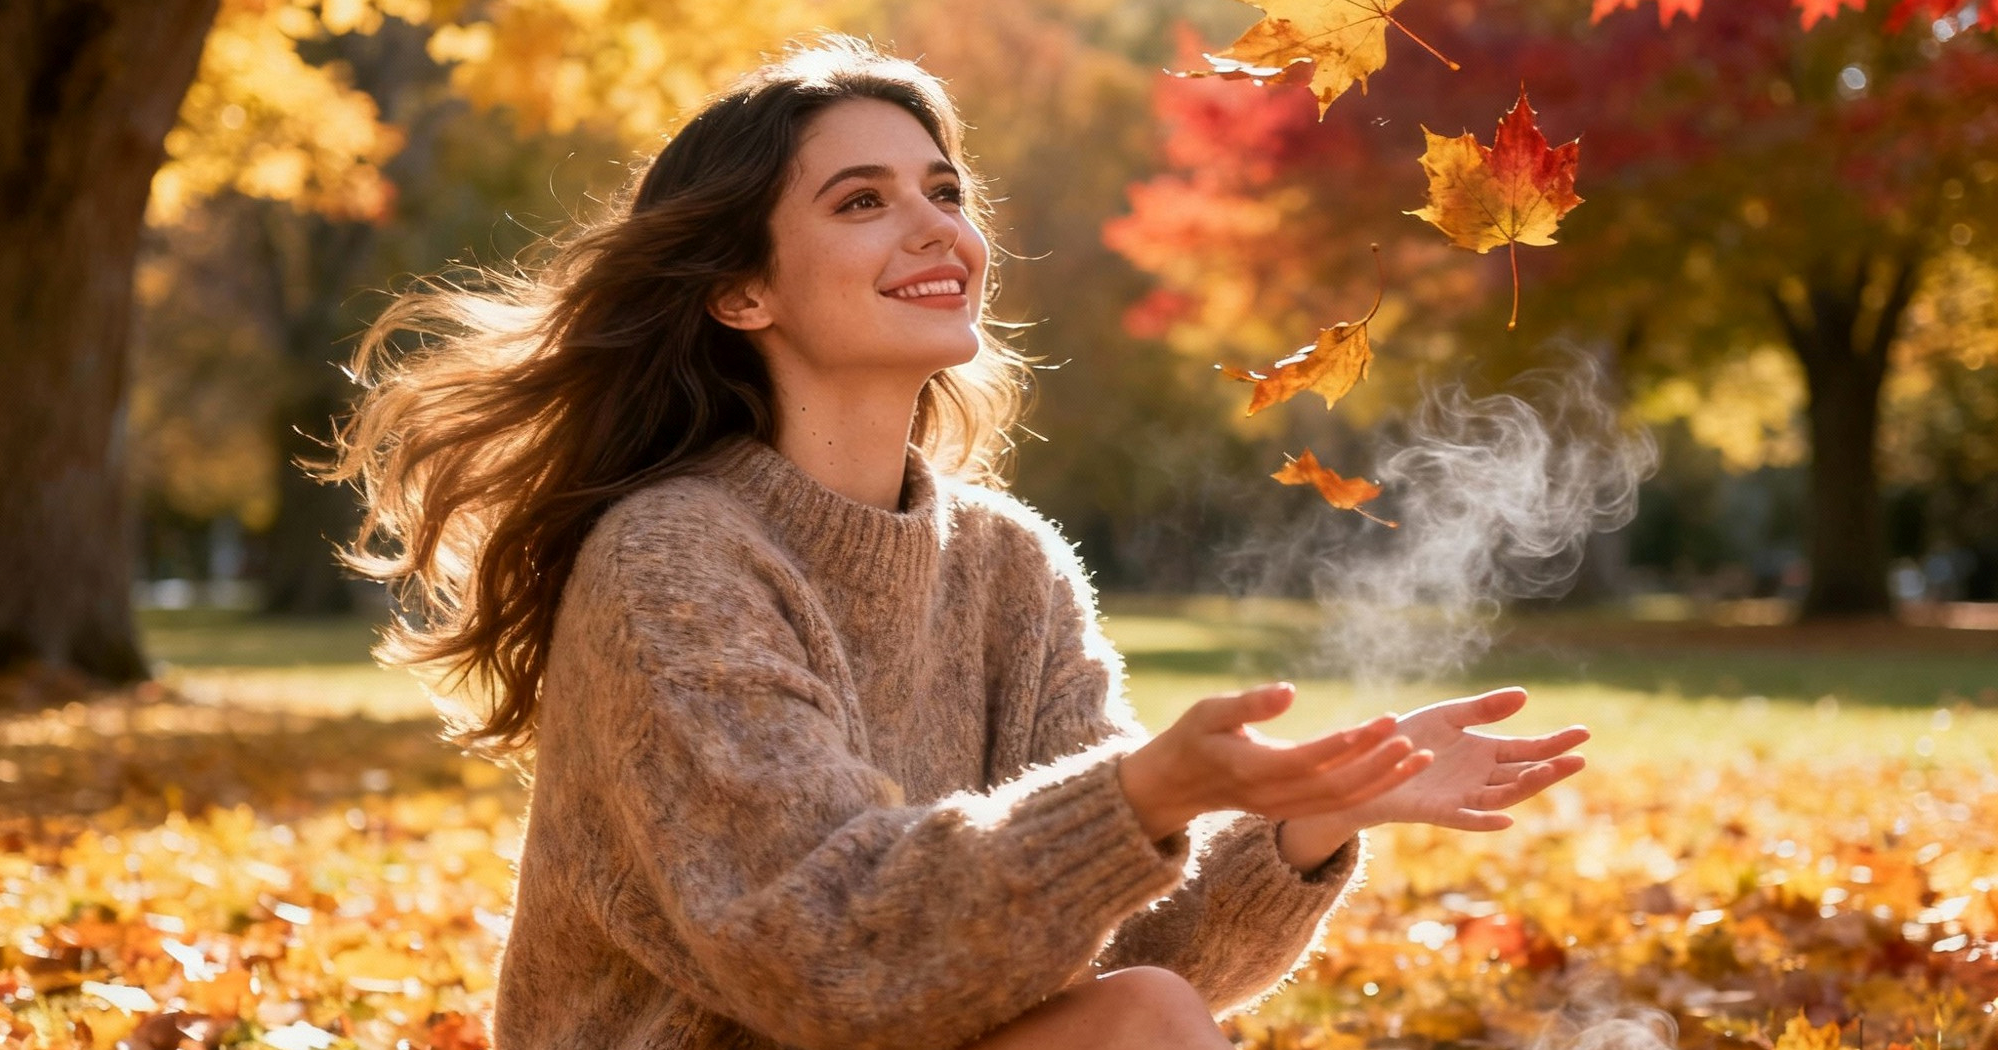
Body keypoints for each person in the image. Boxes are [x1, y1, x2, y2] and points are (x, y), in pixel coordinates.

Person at [315, 32, 1589, 1050]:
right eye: (860, 201)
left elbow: (1126, 958)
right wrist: (1140, 796)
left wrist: (1309, 819)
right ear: (740, 291)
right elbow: (828, 956)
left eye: (944, 191)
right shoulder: (674, 560)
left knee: (1142, 1011)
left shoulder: (1007, 567)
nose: (938, 229)